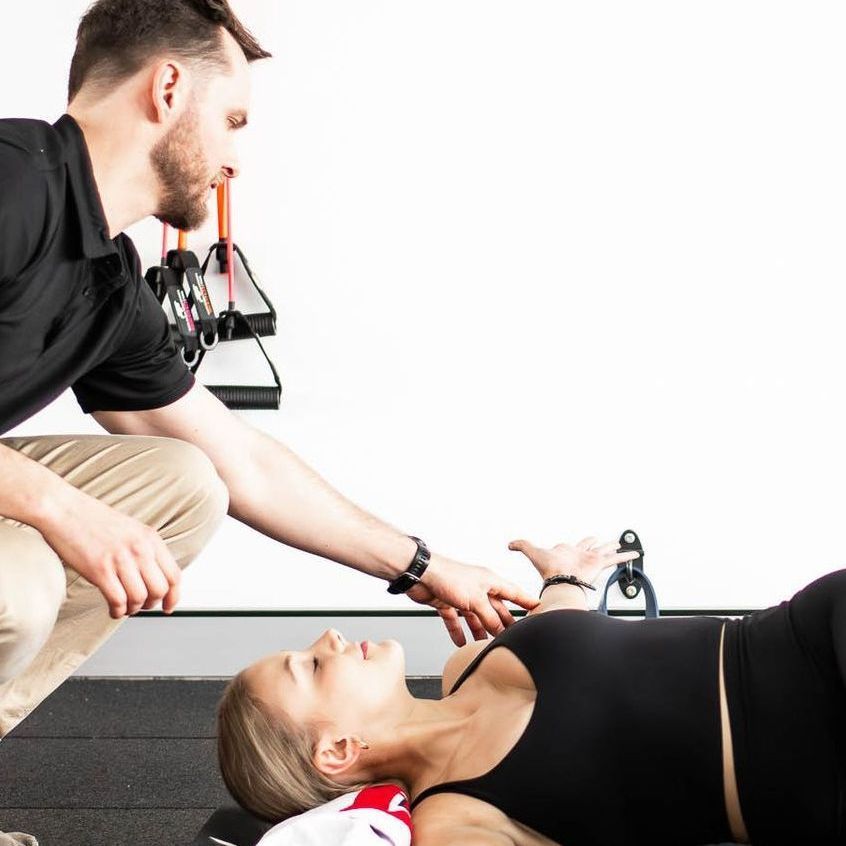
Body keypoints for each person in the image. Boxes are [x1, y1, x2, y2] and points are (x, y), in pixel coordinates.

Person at [0, 2, 537, 843]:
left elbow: (239, 460)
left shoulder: (104, 282)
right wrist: (60, 507)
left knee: (185, 482)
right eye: (232, 120)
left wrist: (425, 568)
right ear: (168, 88)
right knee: (20, 583)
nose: (233, 159)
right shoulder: (14, 182)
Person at [217, 535, 846, 846]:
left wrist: (566, 575)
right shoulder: (456, 820)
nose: (328, 637)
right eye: (310, 667)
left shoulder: (467, 664)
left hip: (815, 625)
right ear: (337, 750)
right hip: (820, 768)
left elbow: (567, 617)